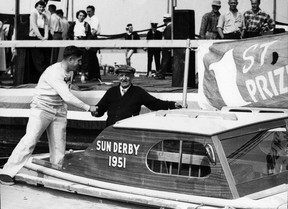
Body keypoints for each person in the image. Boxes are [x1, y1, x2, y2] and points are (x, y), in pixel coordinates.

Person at [0, 46, 97, 186]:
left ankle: (56, 173)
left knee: (59, 145)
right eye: (78, 60)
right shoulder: (54, 72)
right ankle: (7, 172)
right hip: (42, 108)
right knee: (30, 140)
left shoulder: (69, 71)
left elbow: (64, 92)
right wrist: (89, 108)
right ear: (70, 59)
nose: (80, 63)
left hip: (59, 109)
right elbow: (67, 96)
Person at [91, 65, 182, 127]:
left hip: (128, 131)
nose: (124, 78)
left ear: (132, 77)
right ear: (118, 77)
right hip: (110, 131)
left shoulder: (138, 92)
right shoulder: (111, 91)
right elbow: (100, 109)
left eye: (127, 76)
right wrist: (95, 111)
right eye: (121, 76)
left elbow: (155, 104)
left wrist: (173, 105)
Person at [28, 0, 51, 82]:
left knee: (44, 58)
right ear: (36, 7)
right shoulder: (33, 14)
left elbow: (46, 26)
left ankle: (44, 77)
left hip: (42, 36)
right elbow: (34, 26)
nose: (41, 8)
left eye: (43, 7)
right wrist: (40, 37)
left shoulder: (44, 16)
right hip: (35, 36)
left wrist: (46, 37)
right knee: (38, 58)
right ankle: (40, 78)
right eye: (40, 7)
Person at [67, 10, 92, 81]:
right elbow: (69, 33)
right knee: (74, 59)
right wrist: (73, 37)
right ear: (77, 16)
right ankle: (73, 75)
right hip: (75, 42)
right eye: (80, 15)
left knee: (85, 59)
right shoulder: (73, 24)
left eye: (83, 16)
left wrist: (87, 44)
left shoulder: (86, 24)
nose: (81, 17)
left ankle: (83, 74)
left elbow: (89, 35)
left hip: (83, 42)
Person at [85, 5, 101, 81]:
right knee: (90, 58)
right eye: (87, 11)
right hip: (89, 38)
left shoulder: (95, 19)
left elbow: (94, 31)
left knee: (92, 57)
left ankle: (95, 76)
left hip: (92, 38)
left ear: (93, 11)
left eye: (89, 11)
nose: (88, 13)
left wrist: (89, 42)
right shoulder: (89, 19)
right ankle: (92, 75)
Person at [155, 14, 172, 80]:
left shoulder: (168, 27)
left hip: (166, 47)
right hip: (168, 47)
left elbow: (167, 37)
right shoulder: (171, 27)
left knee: (165, 60)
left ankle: (160, 74)